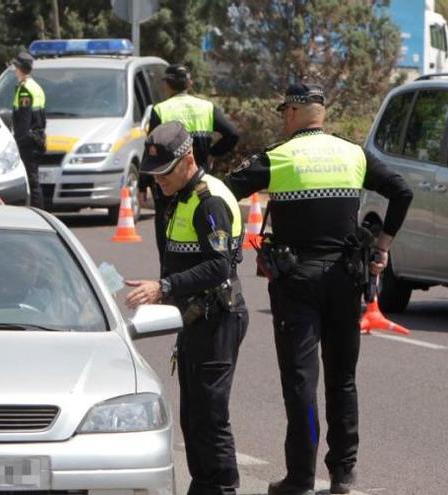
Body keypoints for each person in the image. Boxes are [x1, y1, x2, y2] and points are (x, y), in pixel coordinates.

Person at [224, 83, 414, 495]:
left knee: (301, 382)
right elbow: (402, 191)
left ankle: (301, 477)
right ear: (323, 114)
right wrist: (383, 246)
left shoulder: (278, 156)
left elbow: (224, 193)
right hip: (347, 279)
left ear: (292, 113)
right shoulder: (354, 154)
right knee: (342, 380)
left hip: (297, 284)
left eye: (284, 112)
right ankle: (343, 474)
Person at [126, 122, 248, 495]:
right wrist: (165, 290)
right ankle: (203, 485)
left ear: (188, 160)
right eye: (153, 174)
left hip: (217, 318)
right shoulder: (178, 197)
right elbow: (184, 260)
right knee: (192, 416)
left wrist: (166, 286)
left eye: (164, 173)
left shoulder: (208, 200)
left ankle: (223, 488)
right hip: (194, 317)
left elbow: (218, 265)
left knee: (210, 415)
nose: (157, 181)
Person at [139, 64, 240, 263]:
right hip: (199, 181)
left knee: (170, 247)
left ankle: (169, 284)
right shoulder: (206, 107)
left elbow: (153, 151)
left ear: (167, 85)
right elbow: (233, 134)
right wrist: (212, 153)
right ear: (189, 83)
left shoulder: (160, 109)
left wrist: (143, 183)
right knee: (203, 245)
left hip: (168, 189)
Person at [10, 51, 47, 209]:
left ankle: (38, 214)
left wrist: (18, 142)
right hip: (37, 137)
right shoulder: (36, 87)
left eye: (15, 66)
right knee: (34, 180)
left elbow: (24, 121)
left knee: (31, 181)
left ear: (19, 68)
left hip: (27, 141)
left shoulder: (25, 90)